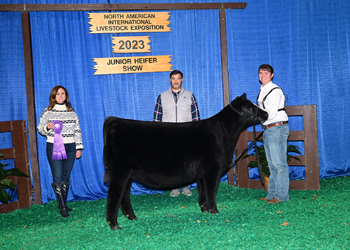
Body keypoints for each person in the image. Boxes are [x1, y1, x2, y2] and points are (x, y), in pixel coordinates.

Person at [37, 85, 84, 217]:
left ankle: (63, 203)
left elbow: (77, 130)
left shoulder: (72, 112)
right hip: (54, 146)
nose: (60, 96)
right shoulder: (48, 111)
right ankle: (62, 206)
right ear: (53, 96)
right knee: (57, 176)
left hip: (70, 147)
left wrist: (79, 147)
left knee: (66, 176)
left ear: (66, 96)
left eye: (63, 93)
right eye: (58, 94)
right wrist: (47, 126)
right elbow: (40, 128)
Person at [154, 70, 200, 197]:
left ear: (182, 80)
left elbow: (196, 117)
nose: (175, 81)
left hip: (186, 135)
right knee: (171, 162)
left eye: (178, 78)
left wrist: (195, 135)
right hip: (167, 135)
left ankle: (186, 187)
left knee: (187, 162)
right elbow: (157, 119)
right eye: (173, 78)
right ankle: (174, 187)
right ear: (170, 80)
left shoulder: (190, 95)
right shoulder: (162, 96)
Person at [256, 64, 289, 204]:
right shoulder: (263, 90)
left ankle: (281, 196)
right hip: (269, 129)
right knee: (271, 164)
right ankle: (271, 195)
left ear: (272, 75)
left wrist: (256, 114)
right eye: (261, 73)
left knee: (279, 164)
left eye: (266, 73)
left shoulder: (274, 91)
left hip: (276, 128)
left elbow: (271, 112)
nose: (263, 75)